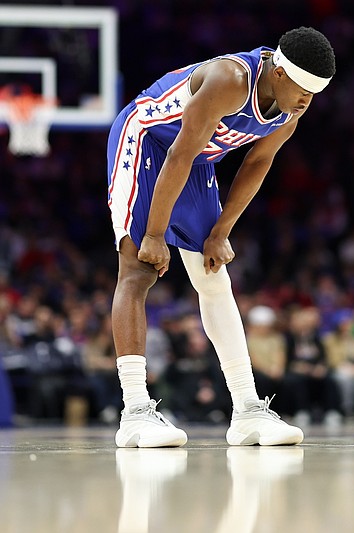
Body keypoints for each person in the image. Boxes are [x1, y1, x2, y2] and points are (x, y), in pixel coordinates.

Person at [107, 27, 335, 447]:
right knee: (138, 270)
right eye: (303, 89)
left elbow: (258, 162)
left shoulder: (292, 106)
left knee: (215, 279)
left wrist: (220, 232)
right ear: (279, 73)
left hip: (194, 160)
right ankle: (135, 413)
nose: (307, 100)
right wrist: (155, 234)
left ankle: (248, 411)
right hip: (148, 141)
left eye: (315, 92)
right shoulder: (229, 80)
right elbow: (177, 153)